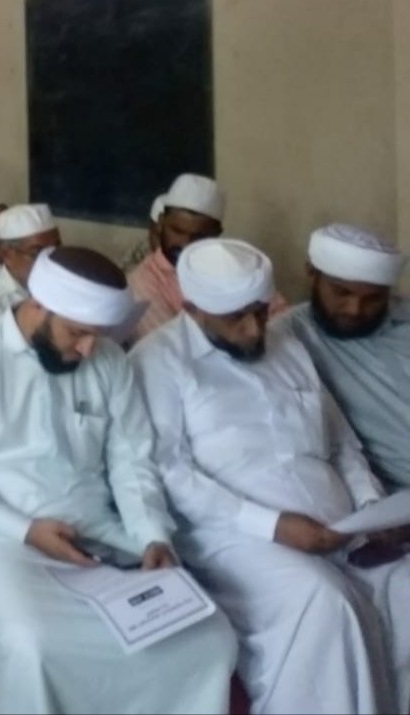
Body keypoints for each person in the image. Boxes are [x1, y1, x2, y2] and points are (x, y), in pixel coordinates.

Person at [0, 245, 239, 714]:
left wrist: (152, 535)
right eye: (78, 332)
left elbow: (132, 459)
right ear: (38, 304)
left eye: (98, 335)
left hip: (96, 531)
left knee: (206, 635)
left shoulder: (108, 362)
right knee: (32, 645)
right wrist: (25, 530)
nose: (88, 349)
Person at [131, 238, 410, 714]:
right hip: (234, 538)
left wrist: (371, 509)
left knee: (404, 585)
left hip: (340, 527)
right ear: (193, 308)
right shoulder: (158, 360)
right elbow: (171, 471)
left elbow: (343, 445)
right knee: (322, 601)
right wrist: (274, 525)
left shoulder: (286, 344)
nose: (254, 328)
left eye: (260, 312)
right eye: (236, 318)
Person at [286, 224, 410, 492]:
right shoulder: (286, 337)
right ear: (312, 274)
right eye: (342, 293)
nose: (355, 310)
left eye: (374, 299)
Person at [128, 173, 288, 338]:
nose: (186, 244)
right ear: (160, 224)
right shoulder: (142, 283)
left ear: (217, 234)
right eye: (177, 231)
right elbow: (172, 344)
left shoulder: (233, 264)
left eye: (199, 237)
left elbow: (282, 322)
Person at [0, 204, 64, 332]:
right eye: (37, 253)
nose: (51, 260)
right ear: (7, 255)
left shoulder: (66, 289)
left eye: (55, 249)